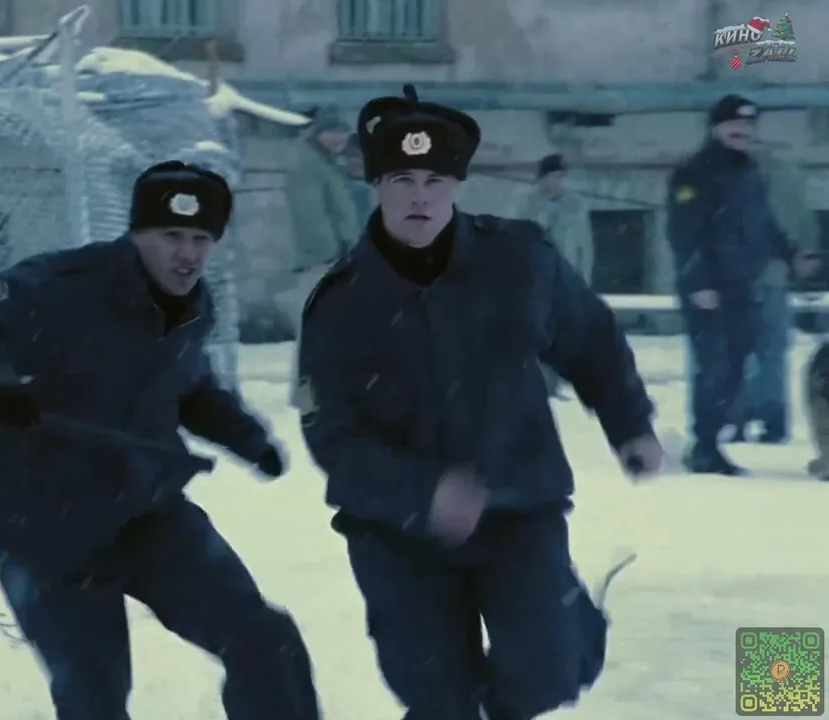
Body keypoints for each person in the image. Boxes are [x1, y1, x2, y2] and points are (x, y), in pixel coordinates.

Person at [296, 85, 663, 720]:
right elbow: (331, 433)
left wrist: (629, 423)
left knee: (548, 674)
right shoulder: (340, 301)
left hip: (517, 507)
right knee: (436, 697)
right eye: (402, 180)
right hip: (397, 533)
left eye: (434, 180)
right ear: (376, 184)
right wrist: (423, 493)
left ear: (456, 185)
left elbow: (591, 338)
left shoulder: (517, 262)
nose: (419, 196)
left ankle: (562, 627)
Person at [0, 161, 321, 719]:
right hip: (47, 530)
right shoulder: (63, 287)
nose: (187, 254)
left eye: (200, 240)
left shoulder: (192, 306)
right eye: (172, 236)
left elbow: (189, 386)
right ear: (136, 233)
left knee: (261, 639)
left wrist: (247, 438)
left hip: (147, 513)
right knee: (95, 694)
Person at [667, 95, 817, 474]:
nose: (742, 131)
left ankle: (713, 439)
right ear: (716, 127)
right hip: (708, 289)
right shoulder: (694, 172)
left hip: (742, 286)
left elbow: (763, 225)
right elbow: (684, 232)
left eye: (748, 125)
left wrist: (791, 254)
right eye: (734, 124)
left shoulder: (749, 171)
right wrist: (698, 282)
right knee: (713, 367)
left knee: (734, 368)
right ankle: (704, 445)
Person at [729, 145, 820, 443]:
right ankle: (757, 419)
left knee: (762, 355)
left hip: (763, 281)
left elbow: (773, 234)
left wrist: (794, 256)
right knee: (756, 355)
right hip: (750, 282)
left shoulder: (756, 196)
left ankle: (762, 419)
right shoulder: (731, 200)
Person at [275, 107, 360, 338]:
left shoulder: (326, 162)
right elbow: (309, 216)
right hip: (320, 262)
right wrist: (332, 256)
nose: (339, 137)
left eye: (343, 131)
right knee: (322, 329)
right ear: (318, 133)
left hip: (331, 260)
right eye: (332, 131)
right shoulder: (307, 164)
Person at [517, 153, 595, 398]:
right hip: (536, 279)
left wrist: (584, 281)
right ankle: (539, 382)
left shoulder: (576, 206)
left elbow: (585, 246)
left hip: (566, 279)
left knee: (563, 334)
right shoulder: (529, 205)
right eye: (551, 176)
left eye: (559, 176)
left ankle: (556, 383)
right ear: (541, 179)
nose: (555, 181)